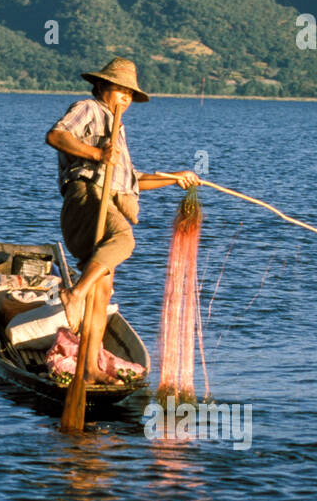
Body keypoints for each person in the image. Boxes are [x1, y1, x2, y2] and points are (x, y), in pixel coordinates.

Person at [45, 57, 201, 334]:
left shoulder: (118, 128)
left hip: (109, 200)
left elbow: (131, 181)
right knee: (123, 239)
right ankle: (75, 293)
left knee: (103, 290)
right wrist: (97, 154)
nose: (126, 98)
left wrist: (174, 177)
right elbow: (57, 136)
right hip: (87, 196)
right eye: (121, 90)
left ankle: (90, 363)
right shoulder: (89, 108)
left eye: (130, 94)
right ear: (102, 86)